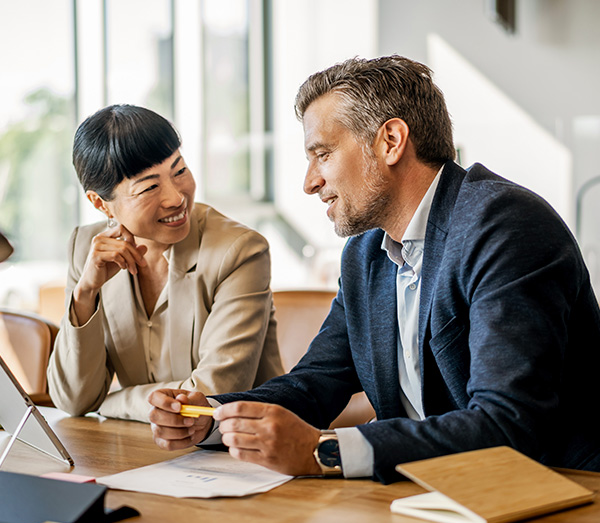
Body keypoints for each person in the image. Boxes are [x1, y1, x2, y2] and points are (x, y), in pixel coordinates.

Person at [147, 56, 600, 483]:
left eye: (322, 154)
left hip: (556, 498)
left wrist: (324, 452)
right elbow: (315, 385)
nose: (309, 183)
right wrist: (206, 417)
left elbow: (508, 424)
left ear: (390, 141)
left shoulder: (505, 226)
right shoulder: (366, 252)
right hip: (423, 494)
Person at [47, 104, 283, 423]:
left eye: (179, 171)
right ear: (101, 203)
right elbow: (73, 400)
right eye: (149, 187)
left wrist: (112, 403)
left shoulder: (239, 251)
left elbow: (211, 396)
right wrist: (86, 293)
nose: (176, 197)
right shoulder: (86, 250)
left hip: (236, 451)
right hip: (140, 451)